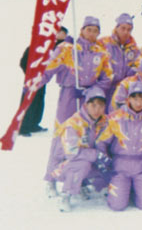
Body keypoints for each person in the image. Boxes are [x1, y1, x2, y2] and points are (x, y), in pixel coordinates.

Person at [42, 16, 113, 197]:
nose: (91, 33)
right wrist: (35, 83)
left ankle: (79, 179)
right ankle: (51, 179)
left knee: (86, 138)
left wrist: (93, 90)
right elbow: (49, 68)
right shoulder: (67, 49)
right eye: (88, 29)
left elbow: (108, 77)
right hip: (69, 95)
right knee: (62, 136)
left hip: (89, 99)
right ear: (81, 30)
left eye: (95, 30)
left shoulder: (101, 53)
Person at [97, 81, 142, 211]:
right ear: (128, 99)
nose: (138, 103)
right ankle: (124, 188)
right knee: (117, 205)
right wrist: (104, 161)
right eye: (135, 98)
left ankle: (137, 189)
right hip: (120, 166)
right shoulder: (116, 118)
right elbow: (102, 141)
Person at [49, 86, 111, 212]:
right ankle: (66, 195)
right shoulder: (74, 123)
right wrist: (96, 155)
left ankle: (83, 184)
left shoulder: (104, 122)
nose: (97, 110)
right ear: (86, 104)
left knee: (109, 164)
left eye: (101, 105)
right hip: (64, 166)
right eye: (93, 105)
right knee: (83, 165)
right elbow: (71, 153)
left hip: (91, 160)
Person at [98, 13, 140, 112]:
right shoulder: (103, 43)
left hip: (121, 90)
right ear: (116, 27)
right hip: (104, 88)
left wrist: (133, 71)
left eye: (129, 29)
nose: (126, 32)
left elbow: (138, 65)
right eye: (123, 28)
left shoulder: (134, 48)